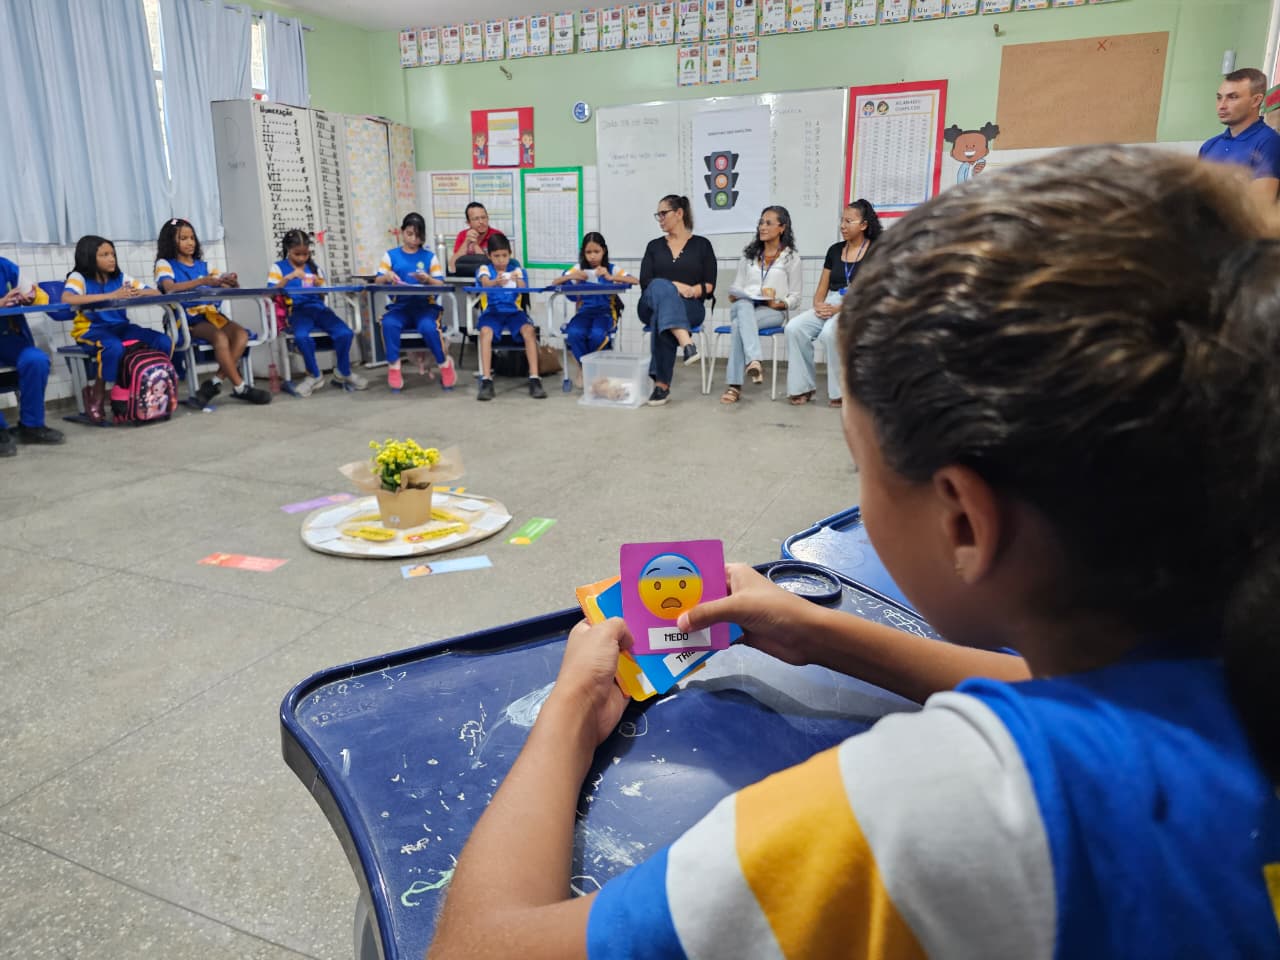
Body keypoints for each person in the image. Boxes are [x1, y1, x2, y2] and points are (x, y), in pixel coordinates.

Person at [427, 146, 1280, 958]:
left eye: (859, 461)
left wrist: (572, 707)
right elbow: (1090, 702)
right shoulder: (1231, 661)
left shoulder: (934, 812)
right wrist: (821, 632)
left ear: (965, 522)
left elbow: (476, 950)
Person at [154, 218, 269, 407]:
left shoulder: (204, 266)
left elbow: (220, 285)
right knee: (220, 338)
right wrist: (201, 282)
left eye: (192, 237)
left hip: (211, 316)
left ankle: (215, 382)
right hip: (187, 319)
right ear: (170, 241)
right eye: (183, 238)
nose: (190, 242)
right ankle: (241, 387)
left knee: (241, 335)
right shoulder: (165, 264)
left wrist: (230, 282)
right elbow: (169, 288)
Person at [62, 235, 173, 424]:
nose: (111, 258)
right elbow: (67, 299)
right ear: (89, 257)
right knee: (113, 347)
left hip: (121, 327)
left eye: (112, 254)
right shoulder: (78, 277)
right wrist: (111, 295)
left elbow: (154, 292)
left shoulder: (121, 278)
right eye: (104, 255)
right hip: (91, 329)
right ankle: (97, 394)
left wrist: (138, 292)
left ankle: (146, 389)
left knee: (162, 341)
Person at [785, 199, 881, 407]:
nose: (843, 226)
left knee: (831, 333)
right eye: (842, 220)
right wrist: (818, 304)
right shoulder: (835, 250)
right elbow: (822, 288)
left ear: (864, 225)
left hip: (860, 305)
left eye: (849, 221)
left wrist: (842, 308)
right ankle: (803, 387)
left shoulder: (876, 250)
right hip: (831, 301)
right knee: (794, 328)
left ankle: (841, 392)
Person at [638, 195, 717, 406]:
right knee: (659, 286)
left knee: (663, 315)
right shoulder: (653, 246)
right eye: (658, 215)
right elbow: (646, 281)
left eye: (663, 213)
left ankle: (661, 386)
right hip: (649, 303)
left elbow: (709, 285)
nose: (660, 219)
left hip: (690, 306)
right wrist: (675, 286)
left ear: (679, 213)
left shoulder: (702, 245)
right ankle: (686, 341)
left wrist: (692, 290)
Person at [267, 229, 366, 397]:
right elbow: (271, 292)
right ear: (288, 250)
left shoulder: (314, 268)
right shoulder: (278, 267)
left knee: (345, 333)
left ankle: (344, 371)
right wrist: (289, 277)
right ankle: (314, 375)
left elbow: (323, 293)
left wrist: (318, 284)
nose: (301, 258)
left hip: (318, 309)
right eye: (297, 254)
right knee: (302, 336)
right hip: (297, 311)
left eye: (305, 254)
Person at [720, 205, 802, 404]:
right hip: (743, 306)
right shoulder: (748, 256)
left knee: (739, 325)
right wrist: (734, 294)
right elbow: (737, 285)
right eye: (761, 223)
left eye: (768, 223)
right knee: (743, 306)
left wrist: (779, 303)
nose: (762, 227)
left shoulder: (791, 258)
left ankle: (735, 386)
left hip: (771, 312)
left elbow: (796, 297)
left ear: (782, 228)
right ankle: (754, 360)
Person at [376, 212, 458, 393]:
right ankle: (394, 367)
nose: (414, 239)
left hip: (425, 308)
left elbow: (440, 283)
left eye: (418, 235)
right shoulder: (390, 256)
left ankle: (444, 364)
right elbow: (378, 280)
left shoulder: (430, 257)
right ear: (402, 232)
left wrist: (427, 279)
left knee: (428, 328)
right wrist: (388, 276)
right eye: (410, 234)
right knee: (388, 323)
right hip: (400, 308)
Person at [548, 232, 636, 385]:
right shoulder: (578, 268)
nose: (592, 256)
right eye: (588, 252)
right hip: (584, 313)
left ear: (604, 251)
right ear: (583, 253)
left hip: (606, 314)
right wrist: (572, 277)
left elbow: (634, 280)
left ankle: (590, 370)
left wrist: (610, 277)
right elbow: (556, 282)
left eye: (596, 252)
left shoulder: (612, 269)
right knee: (574, 333)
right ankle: (585, 369)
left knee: (597, 334)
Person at [0, 258, 64, 455]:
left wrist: (32, 296)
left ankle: (31, 426)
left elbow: (41, 296)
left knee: (36, 360)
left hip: (12, 341)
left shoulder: (5, 267)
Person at [474, 233, 546, 401]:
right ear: (489, 255)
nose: (501, 260)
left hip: (514, 312)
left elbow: (523, 288)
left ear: (510, 253)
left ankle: (535, 378)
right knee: (485, 333)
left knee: (529, 331)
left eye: (504, 255)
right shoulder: (484, 269)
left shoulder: (517, 270)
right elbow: (484, 283)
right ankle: (486, 380)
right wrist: (495, 282)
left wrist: (516, 279)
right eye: (496, 256)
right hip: (492, 312)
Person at [1200, 67, 1280, 205]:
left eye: (1232, 97)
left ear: (1256, 101)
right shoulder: (1209, 146)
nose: (1222, 105)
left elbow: (1260, 207)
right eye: (1219, 98)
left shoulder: (1269, 142)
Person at [449, 202, 498, 273]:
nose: (481, 221)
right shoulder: (462, 235)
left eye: (483, 217)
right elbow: (452, 266)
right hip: (466, 278)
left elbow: (492, 267)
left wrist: (475, 244)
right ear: (468, 223)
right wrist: (466, 242)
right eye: (476, 219)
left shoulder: (496, 235)